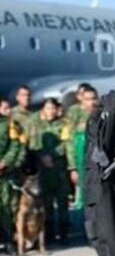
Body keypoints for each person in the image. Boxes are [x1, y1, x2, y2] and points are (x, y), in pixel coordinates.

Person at [27, 97, 71, 243]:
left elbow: (66, 143)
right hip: (43, 170)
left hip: (59, 168)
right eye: (47, 108)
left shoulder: (63, 124)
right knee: (46, 203)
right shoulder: (37, 126)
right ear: (43, 110)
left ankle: (64, 233)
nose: (50, 111)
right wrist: (42, 155)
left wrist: (52, 154)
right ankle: (49, 233)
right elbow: (33, 144)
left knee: (62, 201)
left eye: (53, 108)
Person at [0, 99, 28, 251]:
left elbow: (17, 145)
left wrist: (5, 162)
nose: (9, 110)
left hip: (6, 173)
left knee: (9, 206)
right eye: (5, 107)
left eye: (10, 107)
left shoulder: (11, 125)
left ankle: (9, 240)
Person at [64, 85, 98, 211]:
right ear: (81, 100)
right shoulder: (75, 112)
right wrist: (72, 167)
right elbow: (69, 141)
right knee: (81, 195)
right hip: (81, 160)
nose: (92, 102)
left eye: (94, 98)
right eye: (88, 99)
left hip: (96, 161)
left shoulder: (100, 112)